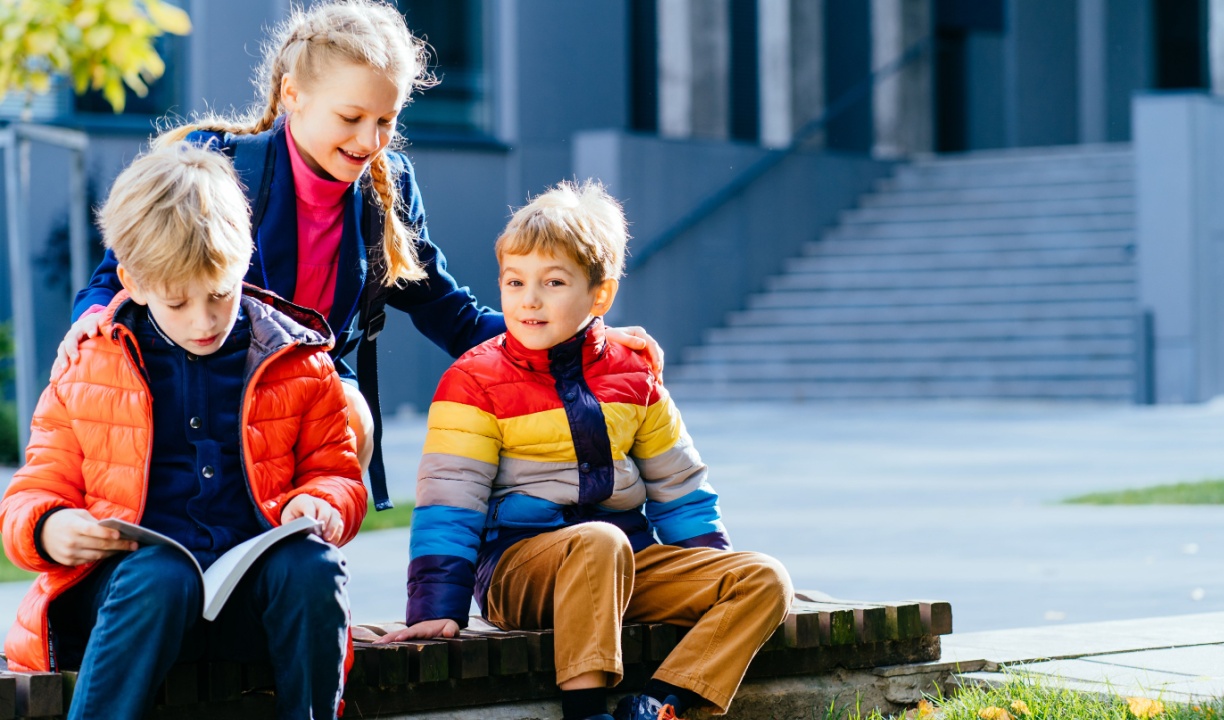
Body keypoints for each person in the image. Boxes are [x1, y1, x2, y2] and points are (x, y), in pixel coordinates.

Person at [55, 0, 663, 511]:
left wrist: (580, 340)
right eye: (351, 117)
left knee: (351, 413)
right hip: (206, 366)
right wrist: (87, 325)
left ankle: (311, 563)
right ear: (293, 94)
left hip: (309, 385)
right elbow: (120, 272)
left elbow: (450, 313)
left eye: (385, 121)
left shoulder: (386, 190)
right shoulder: (220, 165)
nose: (369, 141)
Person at [376, 181, 793, 720]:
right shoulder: (473, 380)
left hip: (628, 563)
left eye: (553, 282)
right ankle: (587, 710)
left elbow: (680, 488)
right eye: (514, 281)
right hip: (522, 573)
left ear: (599, 297)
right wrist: (436, 607)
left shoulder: (632, 374)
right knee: (598, 541)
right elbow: (450, 504)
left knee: (762, 577)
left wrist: (705, 574)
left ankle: (666, 704)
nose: (529, 299)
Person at [0, 143, 366, 719]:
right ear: (134, 282)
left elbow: (336, 474)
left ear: (245, 259)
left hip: (251, 605)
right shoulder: (90, 363)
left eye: (219, 295)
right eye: (178, 301)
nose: (203, 320)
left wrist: (321, 505)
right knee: (159, 574)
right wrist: (49, 529)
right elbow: (31, 492)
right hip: (130, 605)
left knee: (311, 567)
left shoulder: (298, 361)